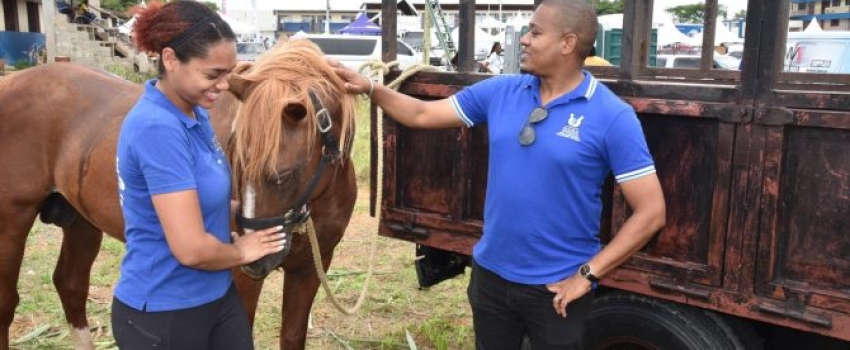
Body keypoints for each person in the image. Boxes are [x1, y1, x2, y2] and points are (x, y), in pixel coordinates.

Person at [330, 0, 665, 348]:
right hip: (490, 279)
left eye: (535, 32)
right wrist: (371, 87)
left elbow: (652, 212)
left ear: (567, 43)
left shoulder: (612, 115)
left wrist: (586, 276)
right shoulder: (502, 91)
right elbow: (421, 115)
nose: (524, 39)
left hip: (556, 291)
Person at [113, 1, 286, 349]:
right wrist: (242, 252)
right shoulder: (156, 128)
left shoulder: (194, 112)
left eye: (229, 73)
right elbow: (191, 249)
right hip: (165, 310)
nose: (224, 86)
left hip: (216, 293)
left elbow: (202, 199)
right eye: (213, 74)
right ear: (170, 60)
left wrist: (255, 216)